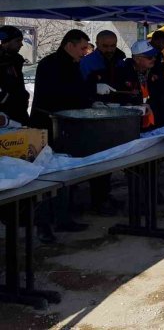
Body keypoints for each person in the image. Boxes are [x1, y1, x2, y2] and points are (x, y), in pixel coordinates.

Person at [31, 29, 92, 241]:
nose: (85, 52)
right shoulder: (51, 64)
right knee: (46, 177)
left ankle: (63, 218)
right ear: (70, 45)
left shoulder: (72, 64)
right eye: (82, 48)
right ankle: (42, 224)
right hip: (47, 126)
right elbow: (60, 96)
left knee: (65, 173)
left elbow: (78, 93)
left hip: (66, 127)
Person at [79, 30, 127, 216]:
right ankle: (97, 199)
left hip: (114, 114)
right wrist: (92, 98)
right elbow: (80, 88)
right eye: (105, 46)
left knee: (111, 158)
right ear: (97, 45)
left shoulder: (119, 60)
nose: (109, 49)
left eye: (113, 46)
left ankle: (105, 195)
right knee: (98, 159)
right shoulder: (88, 63)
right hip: (94, 116)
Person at [0, 26, 30, 126]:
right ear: (6, 42)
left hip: (20, 114)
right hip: (4, 118)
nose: (21, 44)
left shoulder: (16, 60)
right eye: (18, 41)